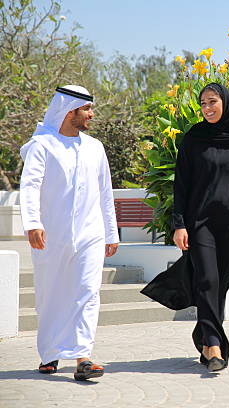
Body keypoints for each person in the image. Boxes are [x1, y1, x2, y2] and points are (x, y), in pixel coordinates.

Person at [141, 83, 229, 372]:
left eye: (212, 102)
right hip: (199, 223)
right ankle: (214, 345)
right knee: (208, 281)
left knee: (221, 283)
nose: (207, 108)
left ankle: (203, 336)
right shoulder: (194, 138)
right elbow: (182, 186)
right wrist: (179, 225)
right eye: (203, 103)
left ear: (225, 102)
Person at [19, 85, 119, 381]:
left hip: (91, 233)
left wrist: (111, 232)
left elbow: (105, 193)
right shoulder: (43, 145)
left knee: (88, 292)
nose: (91, 114)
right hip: (52, 234)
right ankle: (49, 353)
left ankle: (83, 358)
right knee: (51, 293)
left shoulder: (95, 147)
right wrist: (33, 223)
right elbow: (30, 186)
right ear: (69, 112)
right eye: (86, 110)